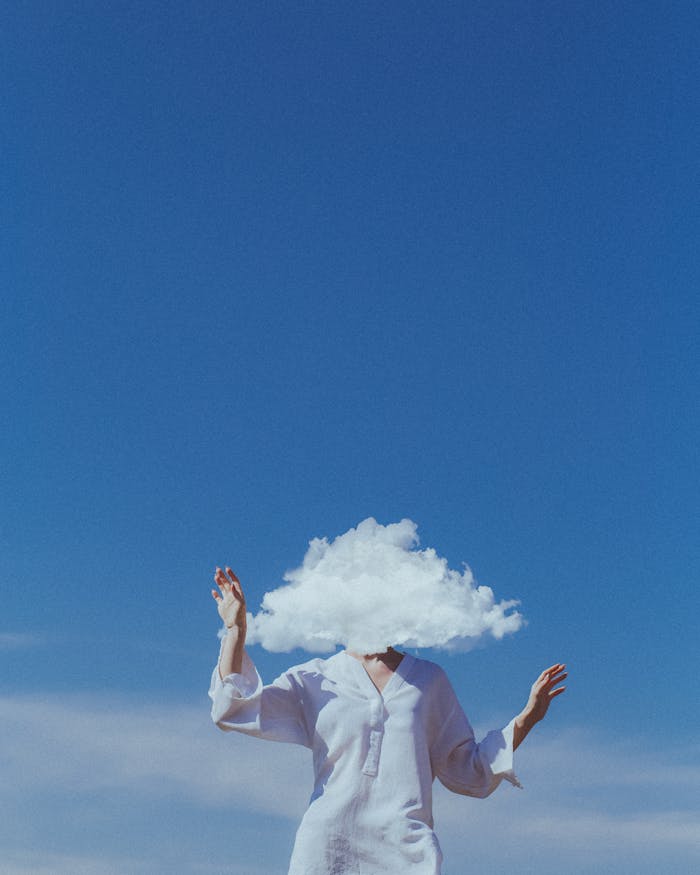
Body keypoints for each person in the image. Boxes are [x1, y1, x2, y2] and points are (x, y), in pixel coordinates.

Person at [209, 566, 567, 875]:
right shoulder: (316, 678)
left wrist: (527, 718)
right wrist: (236, 630)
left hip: (405, 851)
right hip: (327, 851)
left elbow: (466, 771)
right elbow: (234, 709)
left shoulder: (429, 680)